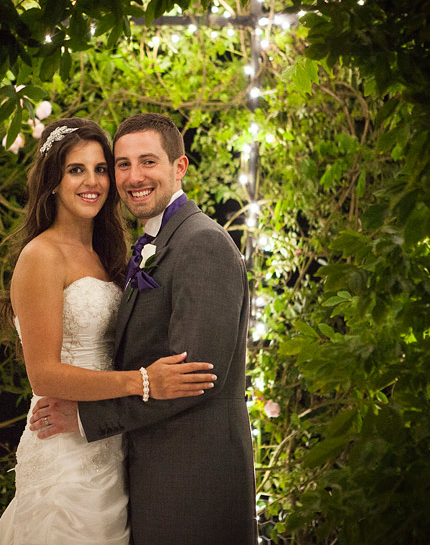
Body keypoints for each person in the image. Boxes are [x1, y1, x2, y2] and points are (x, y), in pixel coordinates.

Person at [29, 113, 258, 544]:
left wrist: (84, 416)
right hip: (140, 473)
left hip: (192, 485)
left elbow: (194, 380)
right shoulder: (150, 243)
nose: (134, 176)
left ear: (179, 168)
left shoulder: (200, 243)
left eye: (148, 162)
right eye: (122, 164)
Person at [0, 117, 217, 545]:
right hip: (64, 450)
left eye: (101, 169)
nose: (92, 181)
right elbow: (44, 375)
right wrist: (145, 381)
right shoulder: (41, 255)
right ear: (53, 180)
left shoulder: (107, 254)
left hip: (110, 445)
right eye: (76, 169)